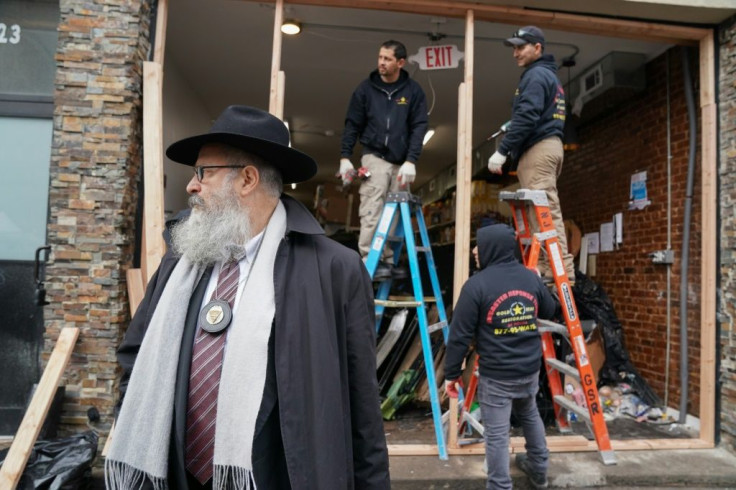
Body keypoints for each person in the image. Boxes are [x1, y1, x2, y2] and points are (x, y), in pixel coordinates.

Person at [106, 105, 390, 490]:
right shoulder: (180, 260)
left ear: (247, 179)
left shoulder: (334, 270)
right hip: (177, 477)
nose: (192, 186)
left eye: (203, 172)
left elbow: (362, 408)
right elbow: (135, 356)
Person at [444, 224, 556, 490]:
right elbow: (550, 310)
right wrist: (538, 281)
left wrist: (451, 374)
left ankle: (499, 485)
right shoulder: (529, 278)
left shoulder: (476, 286)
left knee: (496, 434)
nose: (474, 250)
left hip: (497, 376)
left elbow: (459, 335)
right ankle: (539, 470)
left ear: (491, 248)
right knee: (529, 414)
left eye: (479, 245)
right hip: (529, 369)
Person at [487, 26, 575, 284]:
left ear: (537, 48)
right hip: (544, 147)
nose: (515, 53)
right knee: (540, 212)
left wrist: (502, 151)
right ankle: (549, 267)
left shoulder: (535, 75)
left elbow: (527, 116)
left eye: (521, 47)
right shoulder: (545, 76)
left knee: (546, 212)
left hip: (539, 149)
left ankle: (563, 271)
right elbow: (533, 114)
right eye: (513, 48)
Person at [339, 39, 428, 279]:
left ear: (400, 62)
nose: (381, 63)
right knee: (372, 207)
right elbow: (352, 124)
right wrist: (345, 157)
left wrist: (411, 160)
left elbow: (419, 126)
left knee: (395, 212)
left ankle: (387, 260)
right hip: (374, 157)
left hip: (401, 162)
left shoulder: (413, 92)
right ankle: (369, 258)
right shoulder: (365, 89)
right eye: (380, 57)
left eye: (387, 59)